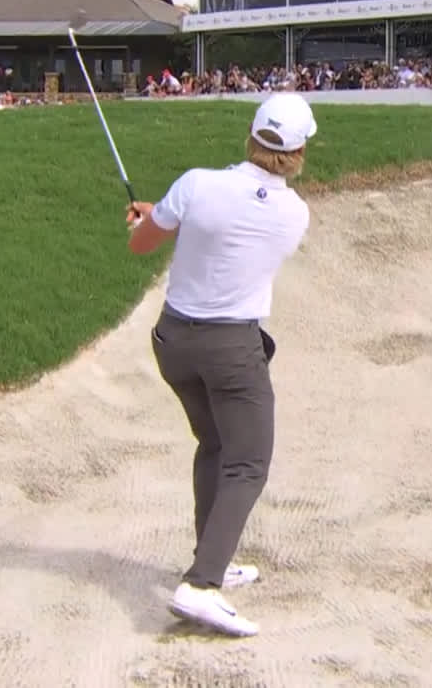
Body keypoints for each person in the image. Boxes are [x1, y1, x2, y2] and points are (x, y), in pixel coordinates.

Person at [123, 92, 317, 638]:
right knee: (248, 462)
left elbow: (144, 243)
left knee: (214, 445)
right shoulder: (293, 214)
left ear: (252, 136)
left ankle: (215, 555)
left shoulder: (195, 184)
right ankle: (202, 586)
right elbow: (236, 229)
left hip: (174, 343)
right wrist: (170, 217)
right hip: (232, 351)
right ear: (299, 151)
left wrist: (153, 216)